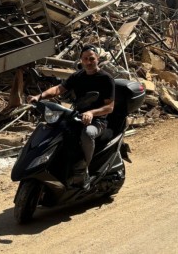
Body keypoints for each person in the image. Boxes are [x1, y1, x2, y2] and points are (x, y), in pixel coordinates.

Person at [28, 44, 115, 185]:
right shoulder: (78, 76)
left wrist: (91, 113)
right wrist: (39, 96)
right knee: (55, 130)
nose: (88, 62)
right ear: (81, 60)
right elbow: (58, 89)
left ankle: (84, 169)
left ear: (97, 59)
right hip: (77, 117)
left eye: (91, 58)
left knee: (87, 134)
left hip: (97, 121)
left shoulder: (106, 79)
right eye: (85, 59)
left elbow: (109, 107)